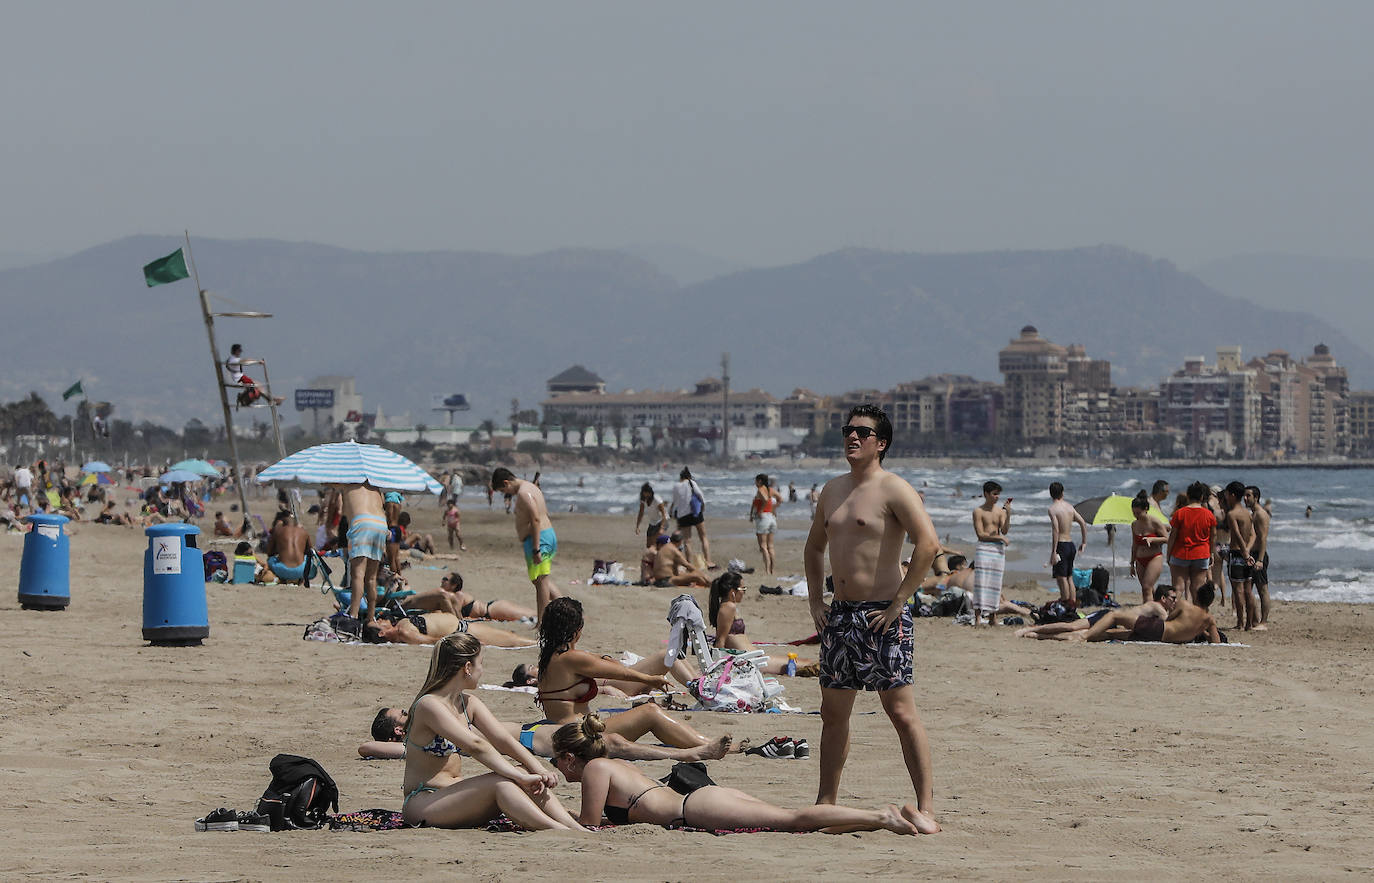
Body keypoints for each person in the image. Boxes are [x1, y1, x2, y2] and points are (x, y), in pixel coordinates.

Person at [803, 404, 940, 834]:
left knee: (900, 712)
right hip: (840, 617)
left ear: (881, 444)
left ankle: (926, 807)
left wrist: (900, 601)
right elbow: (813, 549)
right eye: (848, 430)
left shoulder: (894, 489)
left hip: (883, 617)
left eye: (862, 432)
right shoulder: (832, 490)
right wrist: (815, 602)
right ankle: (826, 803)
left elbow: (928, 545)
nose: (852, 437)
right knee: (833, 713)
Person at [553, 714, 920, 834]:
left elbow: (589, 827)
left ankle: (881, 816)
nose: (555, 767)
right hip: (701, 800)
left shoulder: (597, 769)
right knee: (794, 821)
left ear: (571, 758)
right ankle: (874, 818)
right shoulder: (613, 763)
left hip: (696, 809)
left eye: (557, 761)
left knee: (792, 820)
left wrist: (550, 809)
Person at [397, 633, 583, 830]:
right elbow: (476, 746)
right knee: (503, 782)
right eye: (480, 663)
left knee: (522, 770)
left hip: (457, 796)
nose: (482, 670)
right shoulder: (429, 705)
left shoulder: (468, 703)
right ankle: (558, 830)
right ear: (467, 668)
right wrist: (518, 778)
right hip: (424, 801)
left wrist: (538, 769)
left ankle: (573, 826)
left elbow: (503, 740)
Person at [535, 597, 715, 751]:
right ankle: (706, 744)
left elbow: (595, 660)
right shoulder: (571, 658)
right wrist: (649, 679)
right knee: (650, 712)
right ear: (576, 629)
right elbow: (620, 673)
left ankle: (705, 742)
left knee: (647, 711)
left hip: (567, 732)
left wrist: (604, 658)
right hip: (578, 736)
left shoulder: (552, 657)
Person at [364, 704, 732, 764]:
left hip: (532, 729)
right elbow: (366, 747)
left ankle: (699, 746)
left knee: (624, 732)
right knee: (613, 744)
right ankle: (691, 753)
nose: (406, 707)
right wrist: (397, 742)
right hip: (527, 742)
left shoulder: (435, 723)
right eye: (400, 712)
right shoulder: (421, 743)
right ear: (398, 729)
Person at [708, 571, 818, 676]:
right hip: (749, 660)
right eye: (743, 589)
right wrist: (718, 668)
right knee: (804, 665)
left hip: (753, 656)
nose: (744, 592)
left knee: (804, 662)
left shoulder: (729, 606)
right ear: (732, 591)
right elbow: (720, 641)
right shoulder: (728, 607)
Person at [490, 467, 561, 624]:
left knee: (541, 582)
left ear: (506, 482)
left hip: (539, 539)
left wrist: (536, 548)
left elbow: (536, 519)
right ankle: (565, 608)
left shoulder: (523, 492)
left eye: (503, 490)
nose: (505, 493)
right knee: (540, 580)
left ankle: (543, 622)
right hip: (544, 535)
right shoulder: (531, 487)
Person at [1072, 581, 1220, 644]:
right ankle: (1062, 636)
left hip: (1160, 630)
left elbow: (1168, 621)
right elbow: (1216, 643)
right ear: (1211, 602)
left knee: (1114, 615)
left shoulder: (1185, 605)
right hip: (1164, 639)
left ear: (1196, 596)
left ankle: (1084, 636)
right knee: (1111, 633)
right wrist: (1201, 631)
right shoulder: (1209, 620)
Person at [1017, 585, 1177, 640]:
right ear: (1163, 598)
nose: (1175, 601)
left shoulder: (1157, 608)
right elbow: (1169, 625)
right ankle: (1032, 629)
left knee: (1079, 634)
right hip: (1108, 616)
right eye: (1173, 598)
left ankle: (1039, 635)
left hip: (1114, 622)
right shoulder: (1157, 607)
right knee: (1072, 627)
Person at [338, 482, 387, 625]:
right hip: (380, 524)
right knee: (371, 577)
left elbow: (343, 511)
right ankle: (371, 617)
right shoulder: (376, 488)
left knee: (357, 575)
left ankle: (353, 615)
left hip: (362, 522)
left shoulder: (348, 485)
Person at [405, 572, 535, 623]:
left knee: (533, 614)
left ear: (454, 585)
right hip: (493, 610)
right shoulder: (452, 596)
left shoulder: (458, 595)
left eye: (445, 579)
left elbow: (458, 616)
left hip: (493, 609)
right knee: (531, 615)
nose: (442, 581)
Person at [363, 611, 532, 648]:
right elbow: (431, 641)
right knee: (512, 639)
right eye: (378, 623)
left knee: (510, 637)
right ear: (381, 633)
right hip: (463, 631)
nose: (380, 620)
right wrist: (467, 641)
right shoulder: (404, 633)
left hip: (462, 625)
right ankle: (538, 643)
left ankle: (538, 642)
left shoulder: (400, 625)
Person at [1167, 481, 1216, 605]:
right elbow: (1213, 537)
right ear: (1201, 497)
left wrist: (1168, 554)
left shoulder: (1179, 513)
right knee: (1197, 588)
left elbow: (1173, 536)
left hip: (1180, 552)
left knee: (1178, 588)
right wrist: (1212, 553)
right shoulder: (1209, 515)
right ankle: (1196, 617)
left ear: (1188, 496)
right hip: (1201, 553)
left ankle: (1174, 615)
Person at [971, 480, 1011, 626]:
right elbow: (980, 534)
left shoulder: (1000, 512)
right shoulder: (978, 511)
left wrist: (1009, 513)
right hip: (984, 548)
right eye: (994, 494)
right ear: (986, 494)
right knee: (981, 582)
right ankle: (977, 616)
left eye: (998, 494)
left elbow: (1005, 530)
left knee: (995, 583)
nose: (997, 497)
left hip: (997, 550)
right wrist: (999, 537)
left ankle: (992, 616)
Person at [1222, 481, 1259, 632]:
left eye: (1226, 494)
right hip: (1247, 554)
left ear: (1232, 495)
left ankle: (1240, 622)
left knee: (1238, 590)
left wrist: (1244, 553)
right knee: (1248, 590)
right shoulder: (1247, 513)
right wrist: (1248, 552)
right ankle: (1249, 624)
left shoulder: (1232, 514)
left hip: (1237, 553)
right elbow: (1253, 535)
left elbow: (1236, 535)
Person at [1047, 482, 1088, 603]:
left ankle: (1065, 601)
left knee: (1061, 577)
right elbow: (1083, 523)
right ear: (1062, 492)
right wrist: (1084, 542)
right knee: (1069, 576)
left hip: (1061, 545)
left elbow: (1056, 530)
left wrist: (1053, 552)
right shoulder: (1070, 507)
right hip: (1071, 545)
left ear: (1050, 494)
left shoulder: (1052, 509)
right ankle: (1072, 602)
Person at [1128, 491, 1170, 605]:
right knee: (1148, 589)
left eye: (1138, 513)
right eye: (1134, 513)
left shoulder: (1154, 522)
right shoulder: (1134, 524)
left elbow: (1167, 539)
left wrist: (1153, 539)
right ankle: (1156, 607)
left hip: (1154, 557)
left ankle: (1147, 612)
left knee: (1146, 587)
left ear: (1146, 509)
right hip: (1140, 560)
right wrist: (1132, 563)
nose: (1136, 515)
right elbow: (1134, 544)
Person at [670, 467, 713, 569]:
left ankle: (689, 564)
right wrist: (703, 507)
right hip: (695, 512)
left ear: (680, 477)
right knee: (703, 537)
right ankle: (708, 561)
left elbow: (675, 502)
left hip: (683, 515)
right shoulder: (691, 483)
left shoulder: (676, 486)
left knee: (687, 541)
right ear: (688, 476)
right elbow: (700, 495)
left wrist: (670, 512)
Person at [1245, 485, 1271, 628]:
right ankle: (1253, 620)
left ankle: (1264, 622)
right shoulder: (1252, 513)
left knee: (1262, 589)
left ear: (1256, 498)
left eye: (1248, 496)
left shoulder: (1261, 514)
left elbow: (1263, 538)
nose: (1245, 498)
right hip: (1252, 555)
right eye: (1244, 495)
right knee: (1248, 589)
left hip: (1259, 555)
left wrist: (1260, 560)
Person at [265, 511, 314, 584]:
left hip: (283, 570)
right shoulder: (304, 532)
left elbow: (269, 552)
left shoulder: (278, 531)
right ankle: (299, 579)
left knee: (270, 560)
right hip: (301, 570)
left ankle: (283, 578)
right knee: (309, 559)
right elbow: (311, 551)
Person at [749, 473, 783, 575]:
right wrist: (773, 508)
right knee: (770, 546)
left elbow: (765, 499)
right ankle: (772, 569)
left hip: (763, 518)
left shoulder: (760, 490)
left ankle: (767, 570)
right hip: (771, 517)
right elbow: (780, 499)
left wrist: (760, 511)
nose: (755, 483)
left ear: (759, 481)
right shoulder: (770, 489)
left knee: (763, 546)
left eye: (756, 481)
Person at [633, 482, 667, 549]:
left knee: (654, 544)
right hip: (652, 522)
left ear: (651, 492)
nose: (646, 494)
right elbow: (641, 513)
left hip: (661, 521)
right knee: (648, 545)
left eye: (647, 492)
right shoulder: (644, 500)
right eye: (644, 493)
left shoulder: (657, 500)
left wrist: (662, 528)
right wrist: (637, 526)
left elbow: (664, 514)